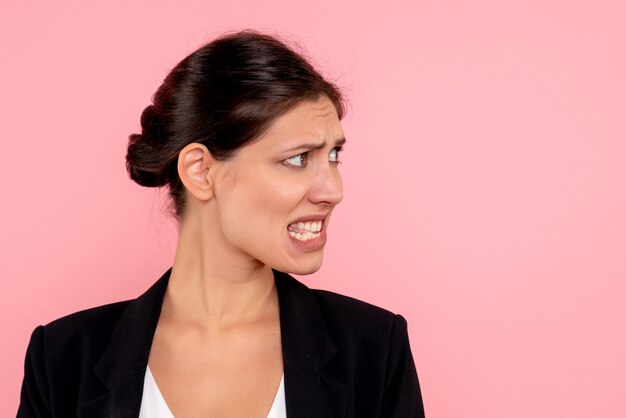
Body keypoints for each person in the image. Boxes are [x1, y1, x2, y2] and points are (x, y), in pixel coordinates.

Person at [17, 30, 425, 418]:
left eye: (333, 156)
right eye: (299, 158)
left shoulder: (374, 349)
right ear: (201, 171)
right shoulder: (62, 359)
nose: (332, 190)